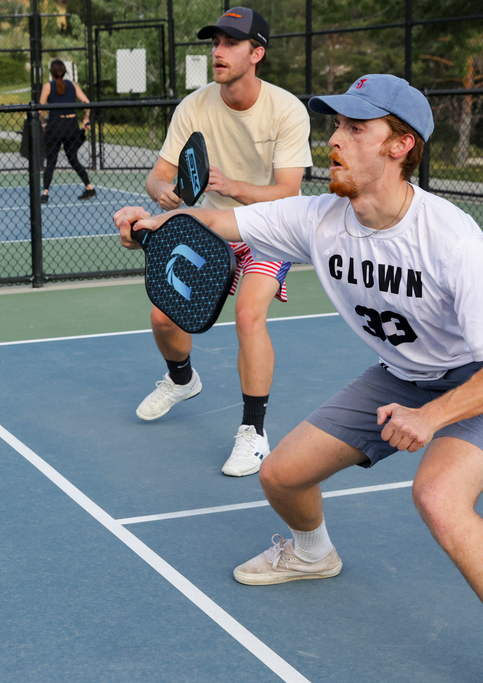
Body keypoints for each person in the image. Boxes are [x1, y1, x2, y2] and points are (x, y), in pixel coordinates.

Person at [114, 74, 483, 683]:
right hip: (403, 377)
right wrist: (155, 224)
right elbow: (222, 223)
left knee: (439, 499)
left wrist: (433, 417)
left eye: (356, 129)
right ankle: (312, 554)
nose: (335, 140)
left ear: (399, 145)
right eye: (335, 126)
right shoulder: (319, 218)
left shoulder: (449, 237)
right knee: (280, 474)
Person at [137, 7, 313, 477]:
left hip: (268, 227)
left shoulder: (286, 110)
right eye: (214, 42)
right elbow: (157, 176)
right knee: (162, 314)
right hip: (208, 223)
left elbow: (289, 192)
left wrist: (233, 186)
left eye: (230, 43)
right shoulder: (193, 107)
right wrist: (164, 193)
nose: (217, 52)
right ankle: (181, 380)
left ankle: (253, 433)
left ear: (256, 53)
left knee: (248, 314)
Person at [38, 59, 95, 203]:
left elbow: (40, 110)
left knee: (51, 160)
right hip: (71, 125)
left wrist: (43, 123)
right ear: (64, 71)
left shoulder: (48, 87)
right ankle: (89, 186)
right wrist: (86, 119)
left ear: (51, 72)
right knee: (73, 158)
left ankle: (45, 193)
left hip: (55, 125)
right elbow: (87, 103)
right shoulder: (72, 85)